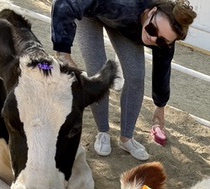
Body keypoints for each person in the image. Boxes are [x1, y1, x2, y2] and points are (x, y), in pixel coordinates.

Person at [51, 0, 196, 161]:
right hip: (91, 10)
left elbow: (163, 67)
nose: (153, 38)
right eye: (152, 29)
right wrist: (63, 53)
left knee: (136, 77)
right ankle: (103, 132)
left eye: (162, 41)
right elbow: (65, 3)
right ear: (151, 11)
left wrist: (160, 105)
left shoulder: (163, 35)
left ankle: (126, 138)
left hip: (125, 22)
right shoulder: (124, 4)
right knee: (97, 69)